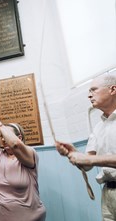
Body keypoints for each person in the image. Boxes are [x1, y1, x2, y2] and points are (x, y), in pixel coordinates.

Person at [56, 73, 116, 220]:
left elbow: (91, 161)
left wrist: (90, 160)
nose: (89, 96)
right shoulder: (98, 128)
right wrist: (74, 153)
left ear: (112, 89)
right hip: (107, 192)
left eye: (93, 90)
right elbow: (88, 164)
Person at [0, 98, 46, 221]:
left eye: (5, 135)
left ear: (19, 137)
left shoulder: (30, 154)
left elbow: (15, 144)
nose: (3, 139)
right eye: (1, 137)